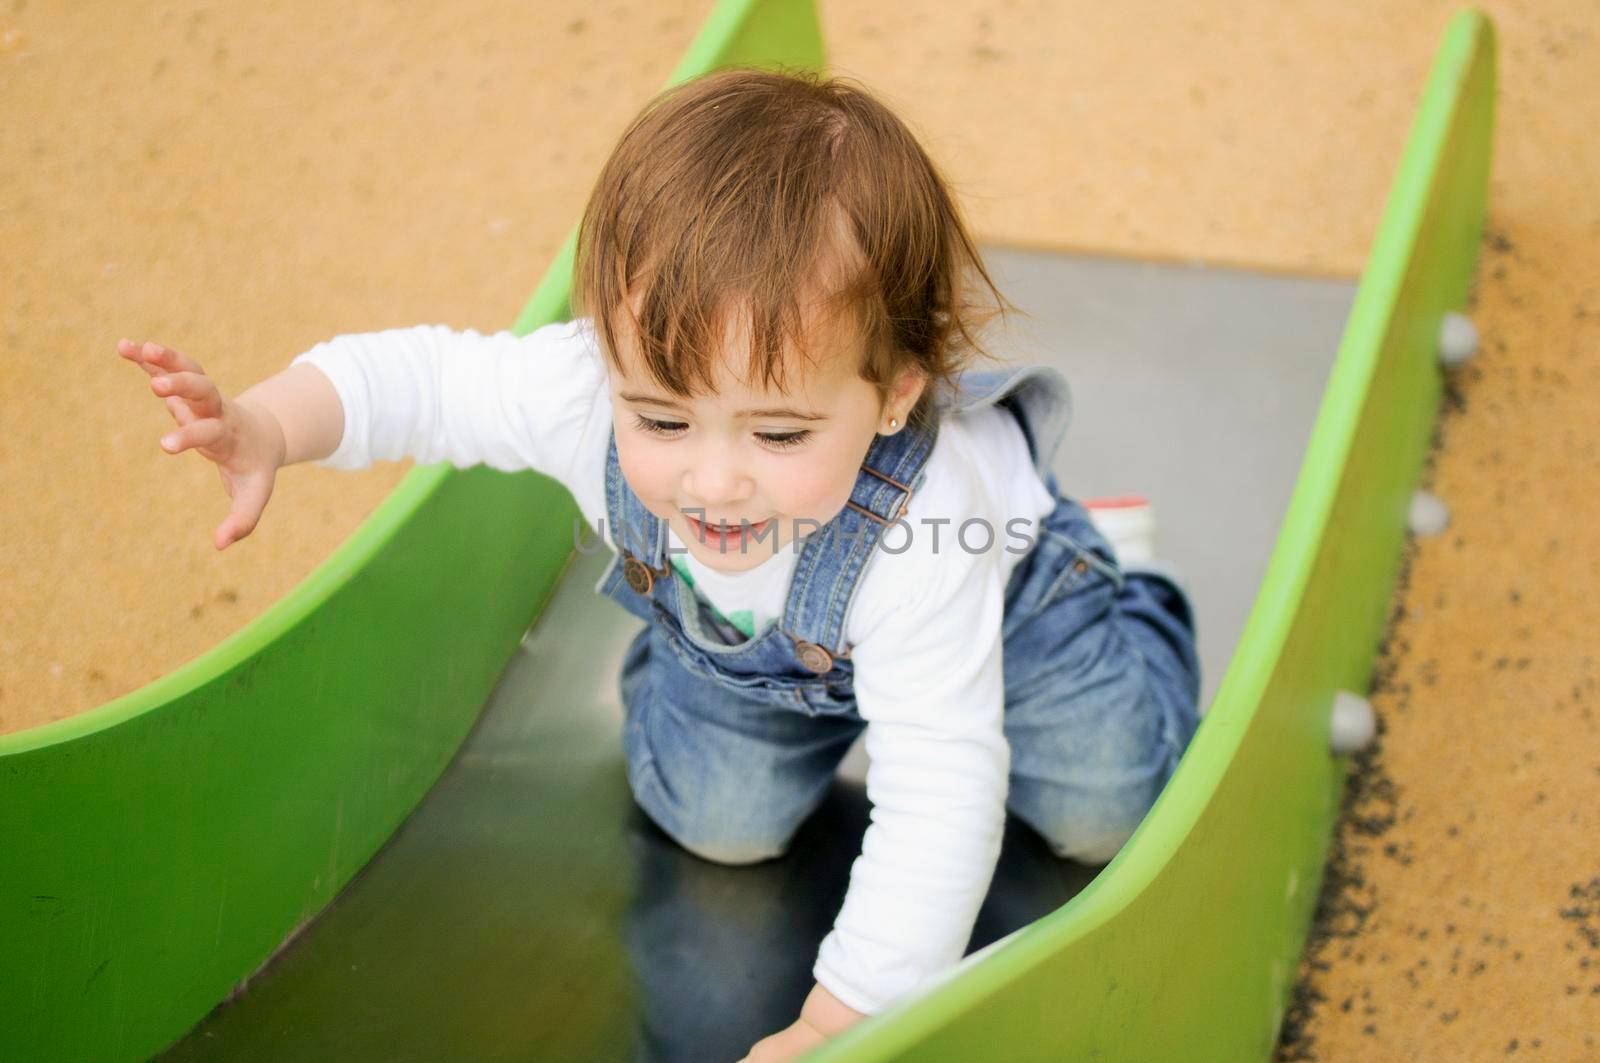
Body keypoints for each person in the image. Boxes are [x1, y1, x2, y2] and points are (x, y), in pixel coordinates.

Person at [117, 67, 1201, 1063]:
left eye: (777, 435)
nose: (711, 481)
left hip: (1010, 610)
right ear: (609, 355)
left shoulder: (926, 527)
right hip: (759, 647)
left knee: (1110, 804)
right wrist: (268, 423)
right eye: (662, 418)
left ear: (895, 393)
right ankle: (687, 674)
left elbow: (941, 791)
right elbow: (421, 380)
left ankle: (1122, 587)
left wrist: (839, 1017)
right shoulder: (584, 393)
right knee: (717, 827)